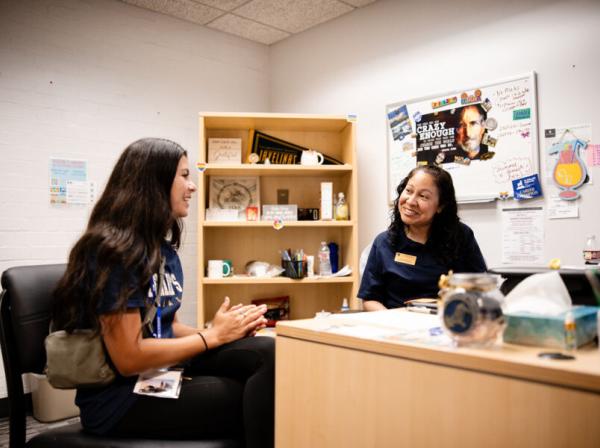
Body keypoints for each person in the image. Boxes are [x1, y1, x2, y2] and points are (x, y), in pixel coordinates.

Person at [52, 138, 274, 447]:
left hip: (159, 373)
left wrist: (225, 331)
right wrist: (211, 337)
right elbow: (129, 357)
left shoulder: (162, 250)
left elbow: (166, 326)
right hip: (121, 398)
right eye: (184, 175)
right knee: (251, 396)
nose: (193, 186)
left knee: (268, 354)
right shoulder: (111, 252)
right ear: (153, 182)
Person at [358, 164, 486, 311]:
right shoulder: (384, 242)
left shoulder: (461, 237)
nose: (411, 201)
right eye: (408, 191)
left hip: (446, 323)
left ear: (441, 206)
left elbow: (480, 289)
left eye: (423, 196)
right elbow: (370, 299)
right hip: (396, 325)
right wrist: (394, 323)